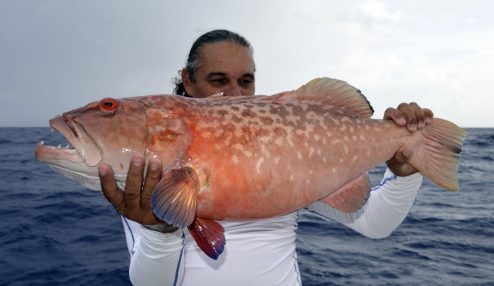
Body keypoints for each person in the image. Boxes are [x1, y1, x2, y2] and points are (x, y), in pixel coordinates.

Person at [98, 29, 433, 286]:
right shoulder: (149, 167)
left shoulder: (287, 145)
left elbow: (375, 224)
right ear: (188, 79)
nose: (235, 93)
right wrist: (159, 231)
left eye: (246, 81)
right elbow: (148, 281)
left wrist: (405, 170)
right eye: (218, 81)